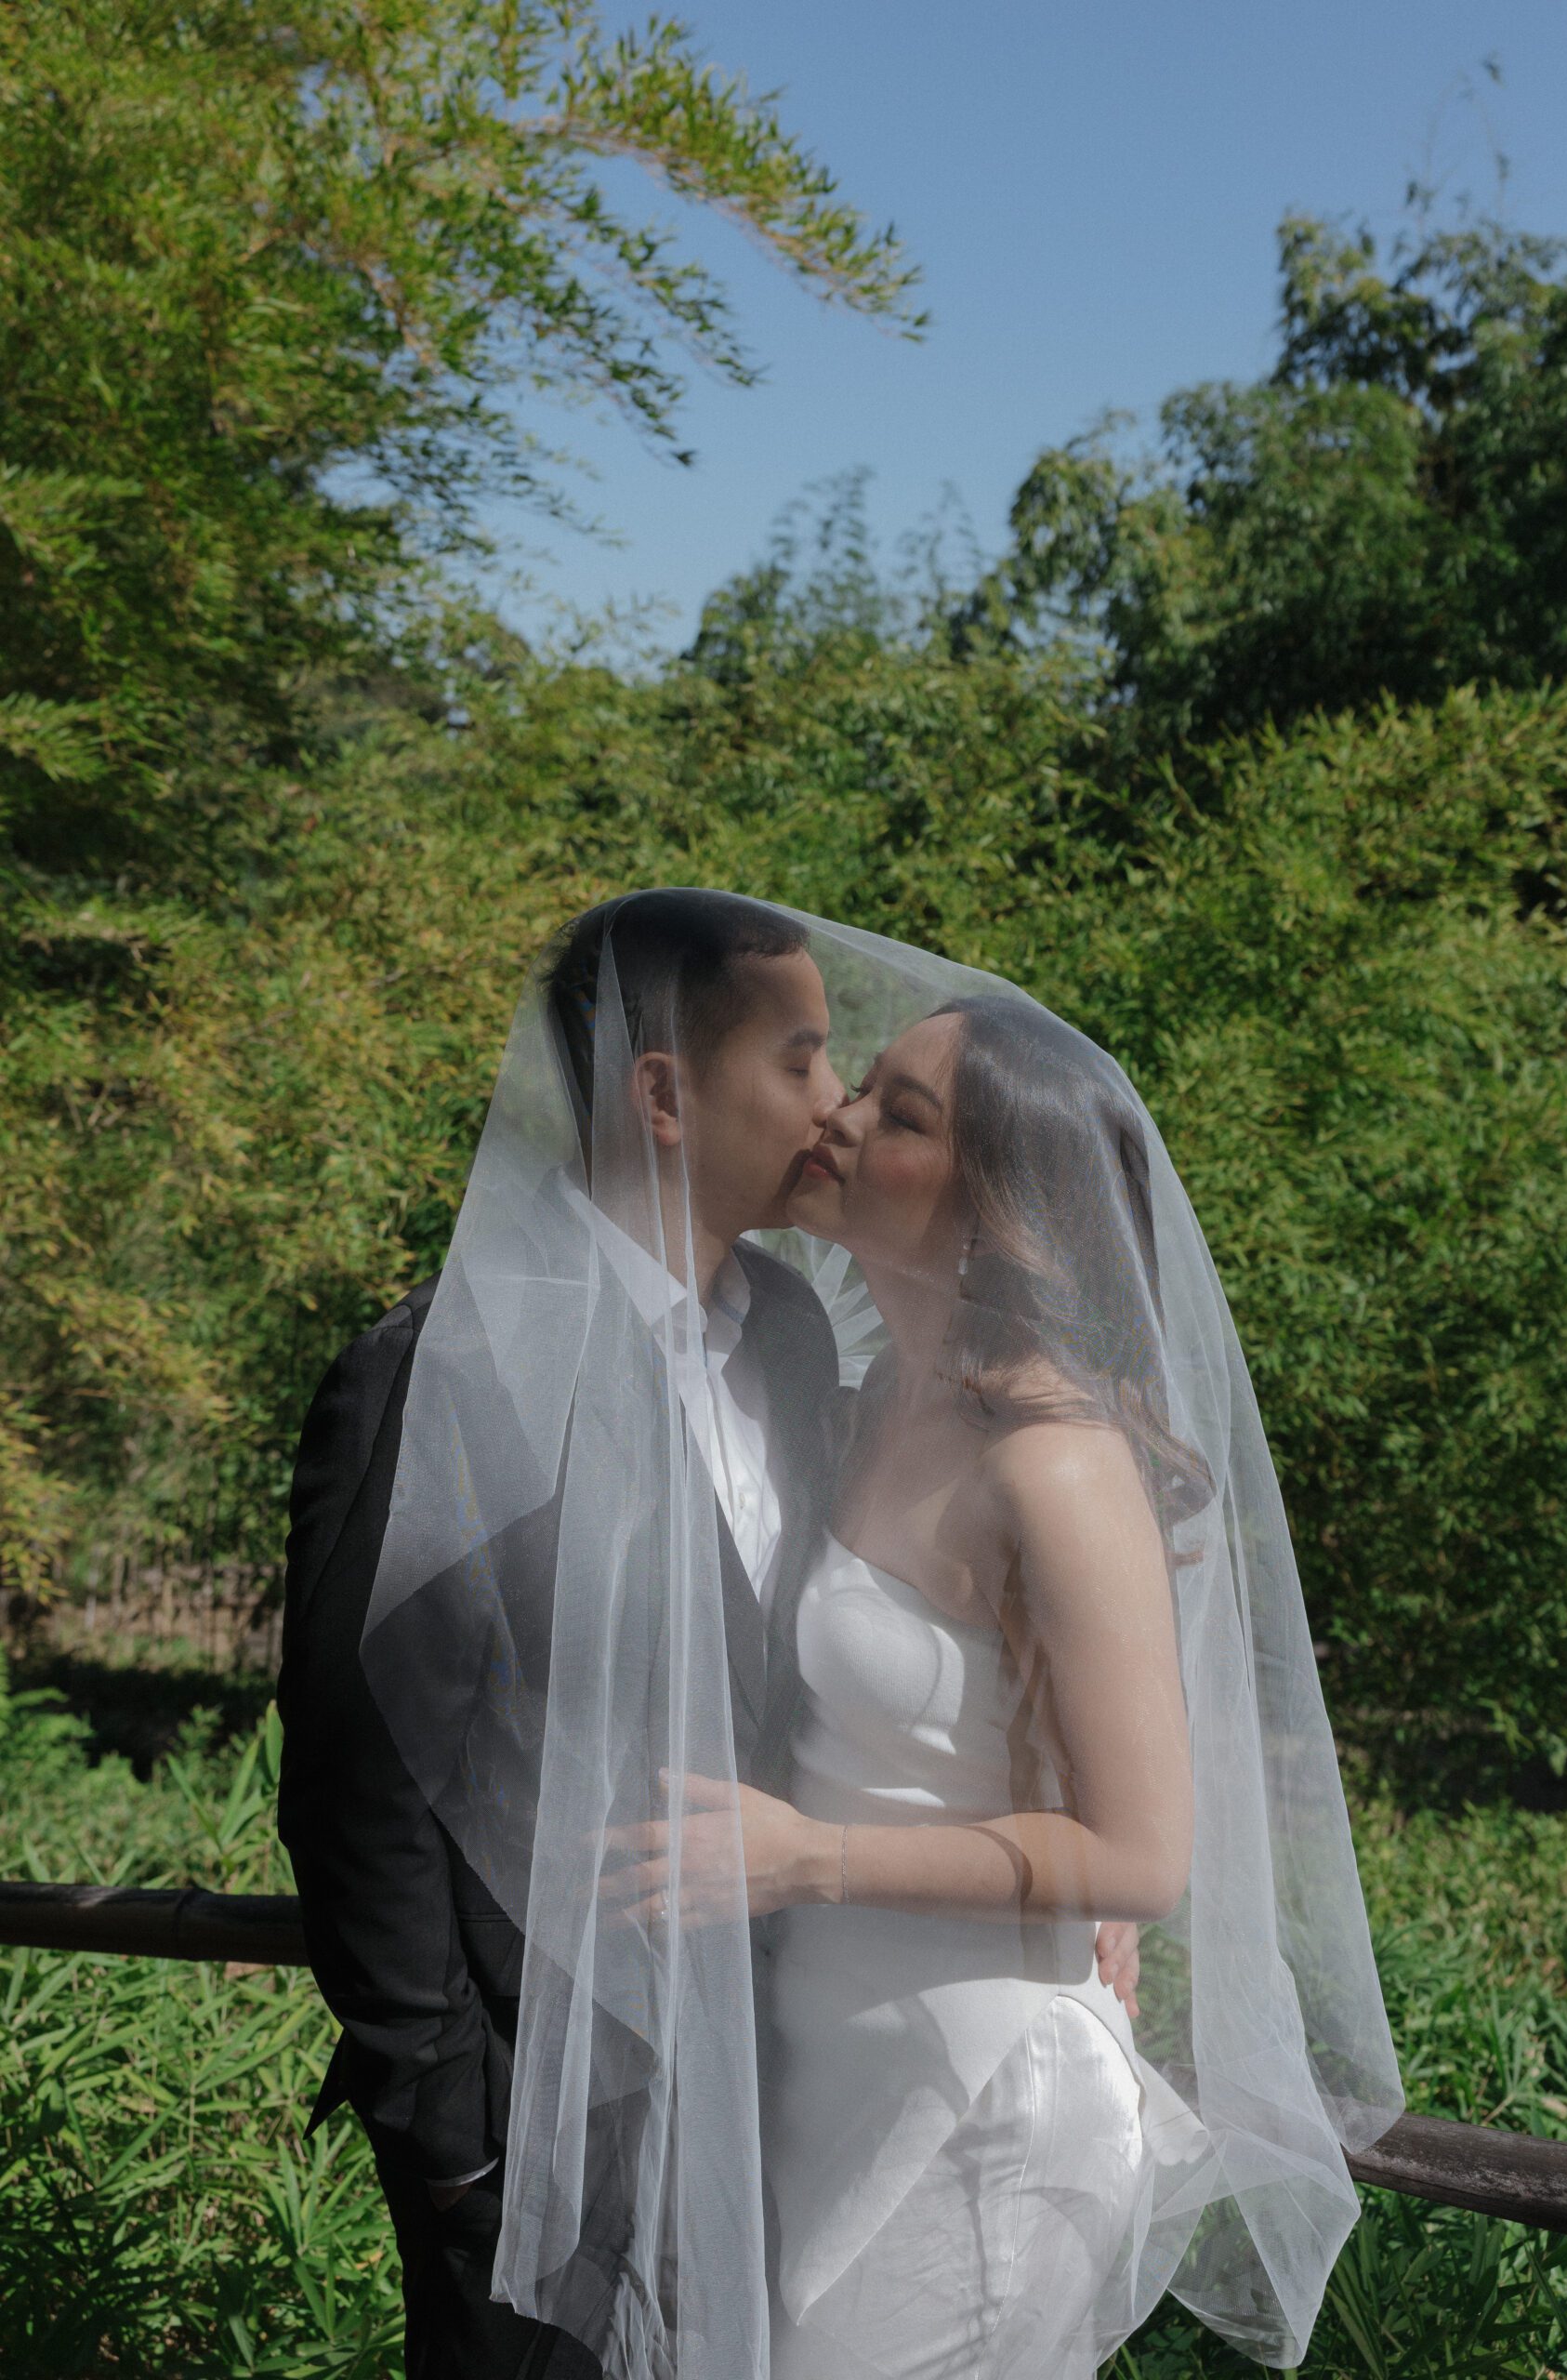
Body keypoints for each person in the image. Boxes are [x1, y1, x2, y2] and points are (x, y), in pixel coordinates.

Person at [470, 901, 1401, 2380]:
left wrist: (806, 1858)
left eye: (894, 1110)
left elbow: (1148, 1855)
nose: (835, 1117)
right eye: (850, 1081)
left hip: (982, 2113)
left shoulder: (1057, 1457)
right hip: (825, 2075)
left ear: (989, 1199)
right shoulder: (850, 1395)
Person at [276, 886, 1151, 2378]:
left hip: (800, 2088)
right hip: (546, 2141)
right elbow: (356, 1785)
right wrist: (461, 2153)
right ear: (666, 1095)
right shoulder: (445, 1371)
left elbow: (933, 1652)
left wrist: (1068, 1837)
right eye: (806, 1060)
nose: (836, 1107)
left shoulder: (805, 1344)